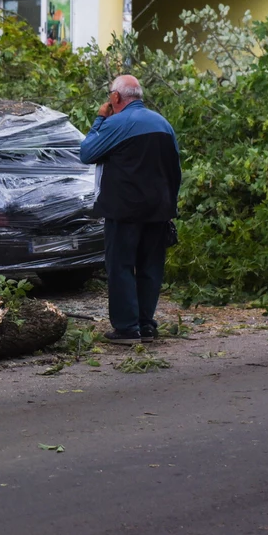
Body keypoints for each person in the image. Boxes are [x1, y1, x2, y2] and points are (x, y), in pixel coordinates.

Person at [80, 75, 181, 345]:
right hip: (159, 209)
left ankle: (126, 329)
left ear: (115, 98)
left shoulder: (116, 123)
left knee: (121, 267)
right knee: (150, 268)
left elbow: (87, 153)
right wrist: (172, 205)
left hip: (124, 210)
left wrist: (100, 119)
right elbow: (176, 168)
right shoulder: (163, 123)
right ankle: (146, 325)